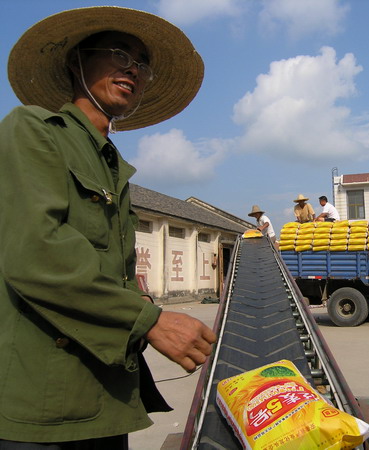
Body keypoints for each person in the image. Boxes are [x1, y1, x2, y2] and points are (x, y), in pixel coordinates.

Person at [0, 7, 216, 449]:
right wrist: (149, 321)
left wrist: (141, 300)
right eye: (119, 54)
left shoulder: (113, 166)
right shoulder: (34, 131)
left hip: (106, 393)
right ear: (76, 62)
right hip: (44, 401)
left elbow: (115, 270)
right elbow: (37, 253)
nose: (132, 69)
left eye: (141, 64)